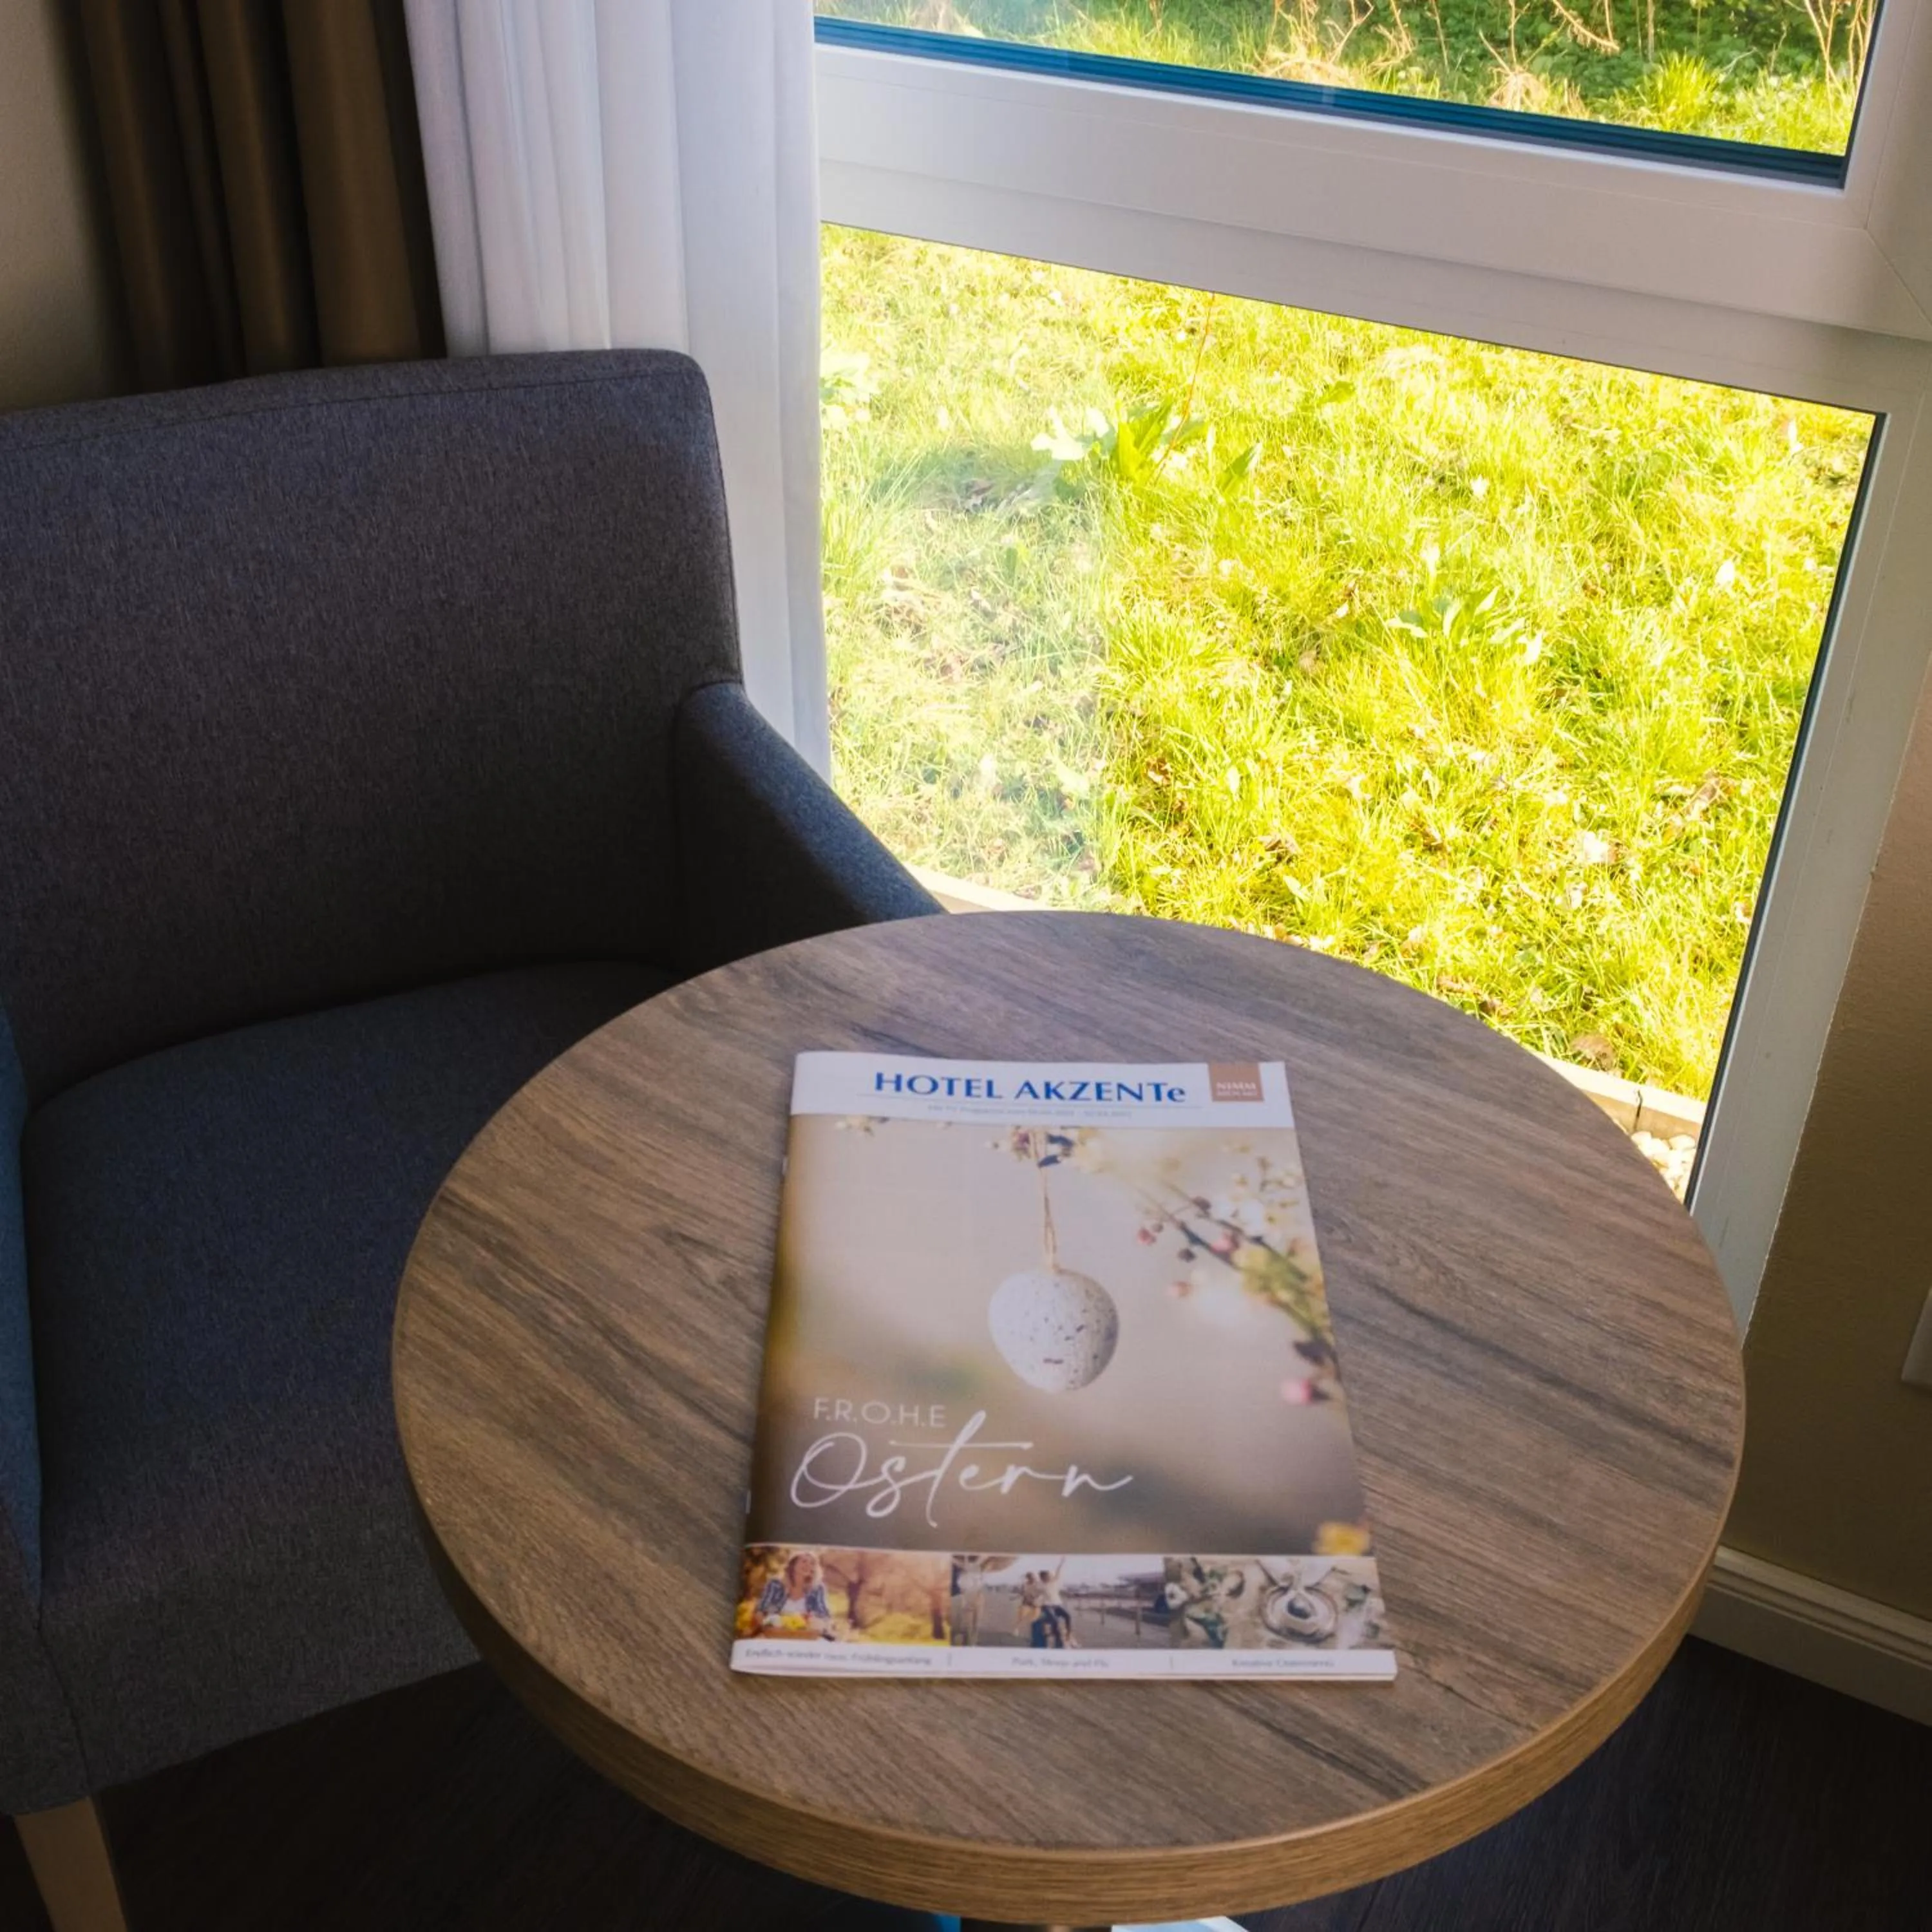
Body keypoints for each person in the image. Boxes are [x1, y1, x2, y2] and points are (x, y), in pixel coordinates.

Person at [753, 1551, 831, 1636]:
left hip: (806, 1636)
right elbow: (760, 1611)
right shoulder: (775, 1585)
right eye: (804, 1561)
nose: (808, 1565)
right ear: (793, 1565)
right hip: (776, 1635)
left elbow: (824, 1615)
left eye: (812, 1563)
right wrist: (768, 1625)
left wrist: (811, 1619)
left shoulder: (817, 1588)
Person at [1037, 1558, 1076, 1648]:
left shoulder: (1053, 1581)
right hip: (1047, 1606)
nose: (1048, 1578)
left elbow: (1058, 1571)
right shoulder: (1040, 1585)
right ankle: (1057, 1639)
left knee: (1068, 1616)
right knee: (1055, 1621)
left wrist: (1061, 1563)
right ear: (1042, 1578)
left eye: (1048, 1576)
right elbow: (1036, 1593)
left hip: (1057, 1604)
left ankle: (1068, 1634)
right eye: (1045, 1577)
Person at [1014, 1569, 1044, 1643]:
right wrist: (1017, 1596)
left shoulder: (1038, 1584)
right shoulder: (1025, 1585)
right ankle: (1016, 1629)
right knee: (1021, 1617)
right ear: (1028, 1578)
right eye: (1030, 1577)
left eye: (1033, 1577)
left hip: (1036, 1604)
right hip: (1026, 1603)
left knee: (1034, 1620)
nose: (1033, 1579)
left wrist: (1036, 1597)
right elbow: (1022, 1592)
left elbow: (1042, 1592)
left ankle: (1032, 1635)